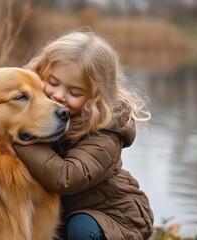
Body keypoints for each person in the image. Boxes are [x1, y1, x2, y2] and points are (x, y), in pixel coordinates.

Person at [14, 30, 154, 240]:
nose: (59, 96)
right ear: (40, 72)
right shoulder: (42, 115)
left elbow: (65, 178)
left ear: (95, 97)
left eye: (75, 93)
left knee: (82, 229)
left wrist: (19, 139)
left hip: (114, 217)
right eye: (53, 83)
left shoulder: (106, 135)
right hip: (66, 213)